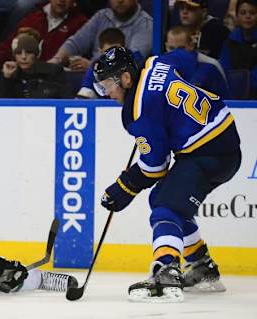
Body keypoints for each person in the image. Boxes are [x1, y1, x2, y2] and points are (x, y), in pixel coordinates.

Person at [93, 47, 241, 302]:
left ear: (127, 79)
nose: (107, 93)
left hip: (206, 151)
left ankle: (167, 269)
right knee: (163, 198)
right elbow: (191, 56)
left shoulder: (137, 113)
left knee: (165, 208)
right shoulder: (156, 62)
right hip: (224, 138)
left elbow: (155, 167)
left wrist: (122, 188)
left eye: (108, 85)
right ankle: (201, 265)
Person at [48, 0, 152, 72]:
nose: (120, 0)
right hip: (92, 78)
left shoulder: (146, 24)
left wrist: (93, 66)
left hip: (122, 84)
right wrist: (57, 60)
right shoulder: (101, 16)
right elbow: (76, 43)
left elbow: (130, 61)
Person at [0, 0, 88, 65]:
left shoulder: (81, 23)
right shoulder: (33, 16)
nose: (61, 0)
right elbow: (9, 45)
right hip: (21, 74)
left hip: (54, 79)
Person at [0, 32, 71, 98]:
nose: (23, 57)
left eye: (28, 52)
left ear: (36, 54)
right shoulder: (12, 75)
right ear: (14, 56)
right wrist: (7, 78)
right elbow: (0, 107)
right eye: (19, 53)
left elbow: (67, 100)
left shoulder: (54, 71)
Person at [164, 25, 229, 98]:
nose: (176, 53)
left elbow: (226, 101)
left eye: (181, 48)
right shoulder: (159, 66)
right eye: (171, 48)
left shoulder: (211, 65)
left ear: (191, 45)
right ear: (166, 46)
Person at [219, 0, 257, 99]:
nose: (248, 16)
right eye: (243, 13)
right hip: (233, 94)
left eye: (252, 13)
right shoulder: (229, 41)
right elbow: (224, 69)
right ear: (237, 16)